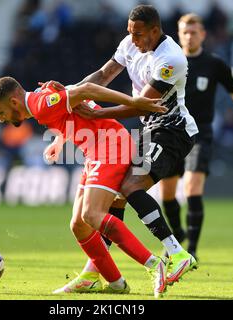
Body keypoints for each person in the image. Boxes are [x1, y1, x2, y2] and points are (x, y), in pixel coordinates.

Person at [54, 5, 199, 293]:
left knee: (131, 186)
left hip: (173, 131)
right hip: (150, 130)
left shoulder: (171, 59)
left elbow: (140, 103)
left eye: (139, 34)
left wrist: (97, 114)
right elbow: (104, 74)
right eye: (130, 33)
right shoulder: (130, 42)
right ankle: (94, 272)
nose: (133, 40)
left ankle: (177, 253)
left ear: (155, 31)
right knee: (115, 197)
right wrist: (70, 94)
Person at [0, 76, 171, 298]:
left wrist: (135, 103)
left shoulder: (40, 105)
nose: (0, 118)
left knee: (92, 214)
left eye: (0, 111)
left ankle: (154, 264)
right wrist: (60, 140)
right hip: (95, 152)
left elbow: (87, 90)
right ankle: (114, 282)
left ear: (14, 102)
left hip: (111, 146)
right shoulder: (40, 102)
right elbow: (70, 107)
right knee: (79, 225)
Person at [156, 13, 233, 260]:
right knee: (167, 193)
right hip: (171, 134)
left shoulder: (215, 64)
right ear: (179, 34)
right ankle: (177, 238)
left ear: (203, 35)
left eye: (194, 32)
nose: (189, 36)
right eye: (185, 31)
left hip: (200, 135)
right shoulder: (168, 63)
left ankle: (192, 250)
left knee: (193, 187)